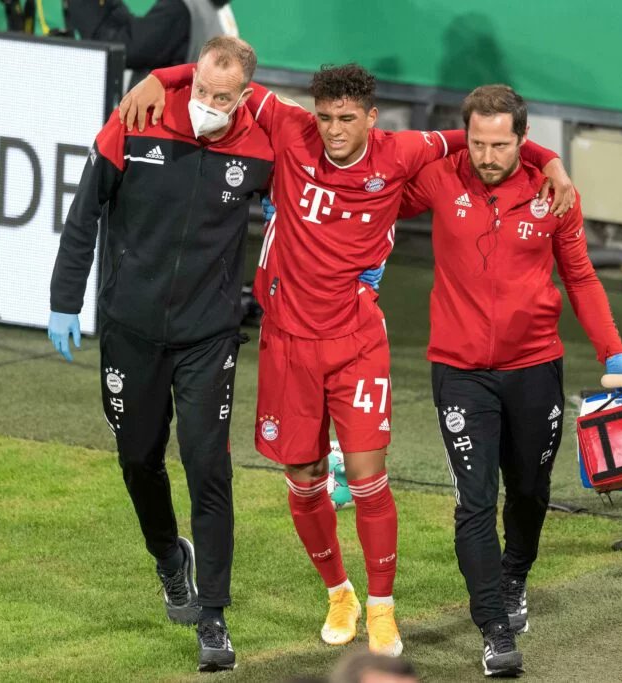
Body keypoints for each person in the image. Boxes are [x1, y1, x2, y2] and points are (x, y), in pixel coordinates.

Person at [119, 62, 574, 657]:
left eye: (346, 118)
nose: (333, 129)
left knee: (366, 478)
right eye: (326, 117)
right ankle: (340, 594)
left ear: (370, 118)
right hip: (286, 343)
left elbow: (480, 137)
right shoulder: (289, 127)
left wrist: (551, 161)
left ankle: (382, 608)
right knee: (305, 478)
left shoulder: (404, 150)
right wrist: (164, 77)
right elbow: (225, 77)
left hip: (357, 342)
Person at [47, 36, 273, 672]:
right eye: (200, 89)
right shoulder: (137, 117)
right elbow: (84, 213)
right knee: (137, 457)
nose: (208, 103)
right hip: (131, 328)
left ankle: (214, 616)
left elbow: (296, 214)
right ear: (189, 77)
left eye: (222, 97)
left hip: (209, 336)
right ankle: (170, 558)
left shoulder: (262, 143)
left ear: (244, 98)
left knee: (208, 467)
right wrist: (65, 299)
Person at [397, 84, 622, 677]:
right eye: (477, 143)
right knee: (475, 500)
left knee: (529, 490)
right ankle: (494, 628)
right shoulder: (441, 176)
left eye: (501, 146)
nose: (486, 156)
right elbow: (381, 182)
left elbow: (580, 278)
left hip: (534, 368)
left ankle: (514, 576)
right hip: (459, 372)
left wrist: (614, 351)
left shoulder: (555, 195)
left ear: (522, 141)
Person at [68, 0, 237, 84]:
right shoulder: (214, 11)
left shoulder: (181, 8)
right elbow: (141, 36)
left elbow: (125, 50)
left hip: (165, 126)